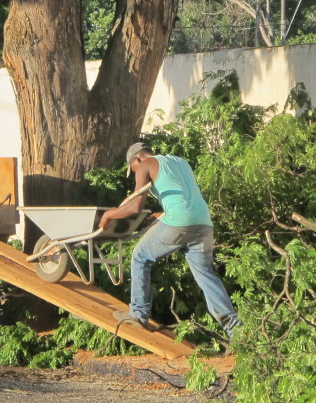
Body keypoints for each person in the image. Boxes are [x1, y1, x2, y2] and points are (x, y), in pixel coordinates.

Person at [99, 142, 241, 340]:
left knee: (140, 257)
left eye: (132, 169)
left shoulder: (144, 164)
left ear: (136, 159)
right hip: (203, 223)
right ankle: (237, 333)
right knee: (207, 277)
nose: (134, 173)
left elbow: (134, 207)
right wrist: (162, 214)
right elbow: (184, 196)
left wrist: (109, 214)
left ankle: (138, 313)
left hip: (179, 222)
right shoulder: (180, 161)